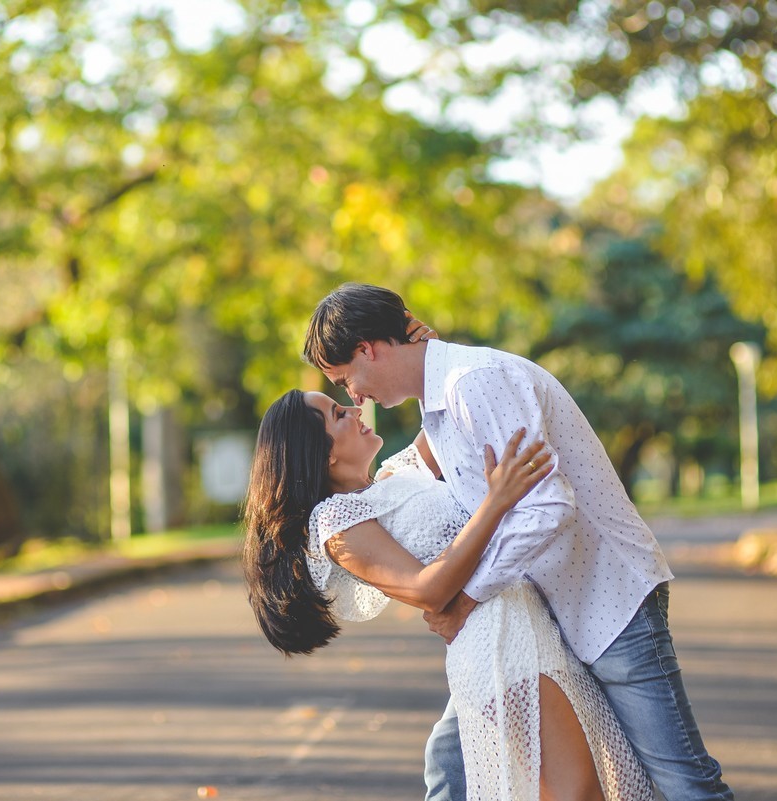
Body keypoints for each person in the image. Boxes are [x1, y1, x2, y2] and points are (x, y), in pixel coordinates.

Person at [302, 283, 734, 801]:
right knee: (450, 763)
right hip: (535, 620)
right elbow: (416, 483)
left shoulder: (473, 383)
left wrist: (466, 597)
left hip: (606, 602)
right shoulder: (440, 403)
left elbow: (548, 505)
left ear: (368, 349)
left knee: (681, 781)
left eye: (346, 378)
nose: (354, 397)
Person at [242, 389, 655, 801]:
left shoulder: (395, 475)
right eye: (337, 414)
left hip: (534, 626)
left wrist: (425, 342)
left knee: (599, 785)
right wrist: (496, 502)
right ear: (325, 452)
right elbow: (428, 589)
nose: (354, 409)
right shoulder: (336, 519)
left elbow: (442, 405)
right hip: (495, 646)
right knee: (577, 793)